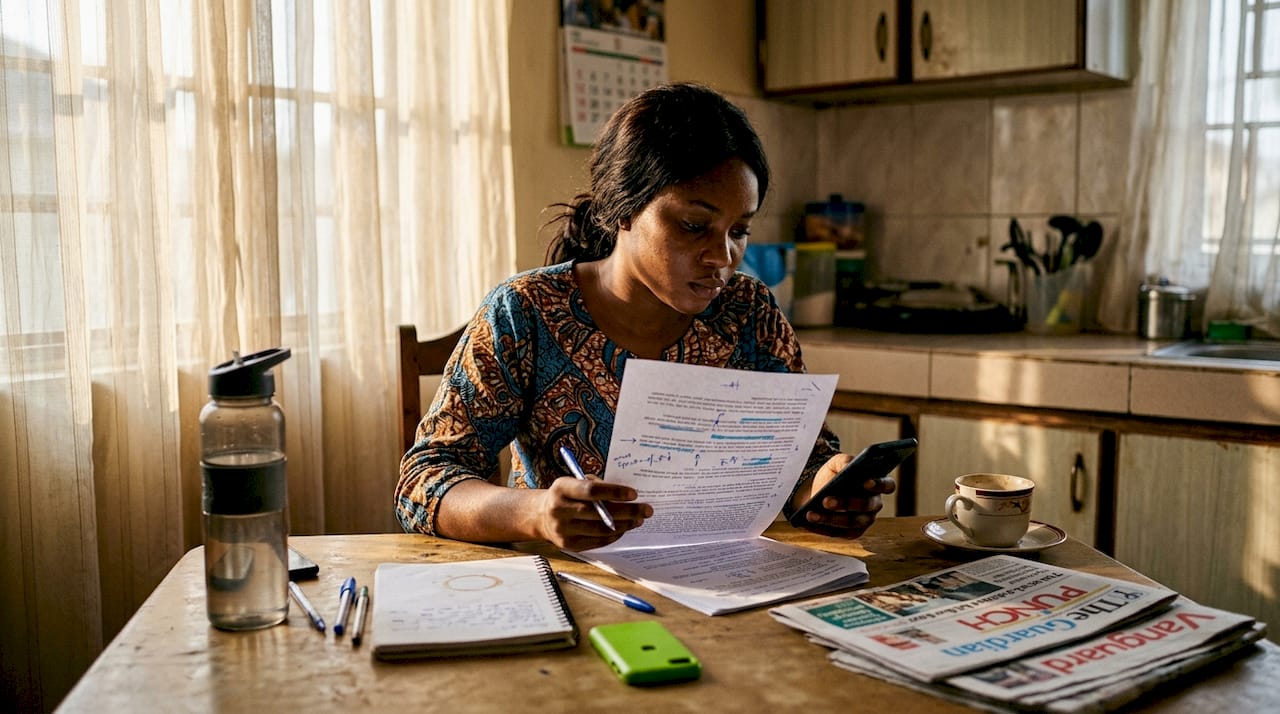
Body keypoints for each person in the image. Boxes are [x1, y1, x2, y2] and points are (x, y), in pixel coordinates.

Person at [396, 82, 895, 551]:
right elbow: (425, 481)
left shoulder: (749, 312)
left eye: (739, 230)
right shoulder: (525, 311)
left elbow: (801, 463)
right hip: (571, 587)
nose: (723, 256)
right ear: (622, 210)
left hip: (721, 581)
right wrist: (535, 512)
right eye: (694, 225)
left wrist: (827, 491)